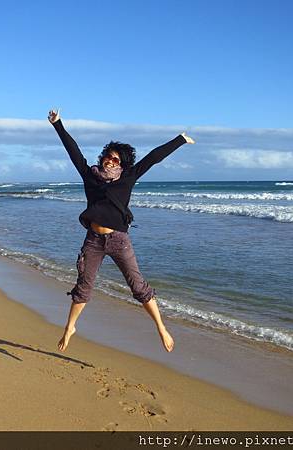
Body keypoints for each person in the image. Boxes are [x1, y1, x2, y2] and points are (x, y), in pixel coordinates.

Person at [48, 108, 195, 353]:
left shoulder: (128, 177)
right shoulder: (90, 175)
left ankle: (161, 327)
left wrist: (179, 140)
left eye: (116, 159)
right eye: (108, 156)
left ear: (122, 163)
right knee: (84, 287)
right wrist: (58, 124)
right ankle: (70, 327)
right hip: (93, 240)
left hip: (119, 241)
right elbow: (73, 152)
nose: (110, 161)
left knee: (138, 287)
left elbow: (153, 158)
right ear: (103, 156)